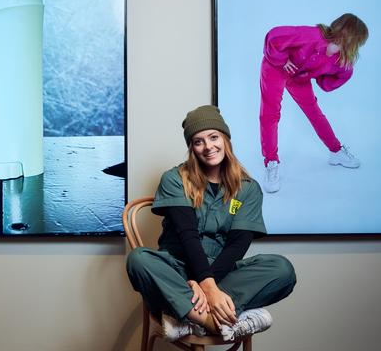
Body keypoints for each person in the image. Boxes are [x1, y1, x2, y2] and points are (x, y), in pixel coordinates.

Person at [127, 105, 296, 342]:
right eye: (198, 141)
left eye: (214, 137)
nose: (208, 147)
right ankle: (214, 323)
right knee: (139, 259)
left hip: (222, 273)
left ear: (225, 138)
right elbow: (188, 236)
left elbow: (238, 246)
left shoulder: (248, 188)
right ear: (191, 148)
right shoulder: (175, 179)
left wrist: (208, 286)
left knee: (282, 269)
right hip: (177, 271)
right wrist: (203, 284)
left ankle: (186, 317)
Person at [260, 14, 368, 192]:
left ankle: (336, 152)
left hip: (300, 77)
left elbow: (332, 81)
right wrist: (282, 60)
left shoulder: (340, 61)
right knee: (270, 114)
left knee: (315, 113)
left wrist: (332, 71)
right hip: (276, 68)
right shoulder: (311, 35)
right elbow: (274, 36)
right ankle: (271, 162)